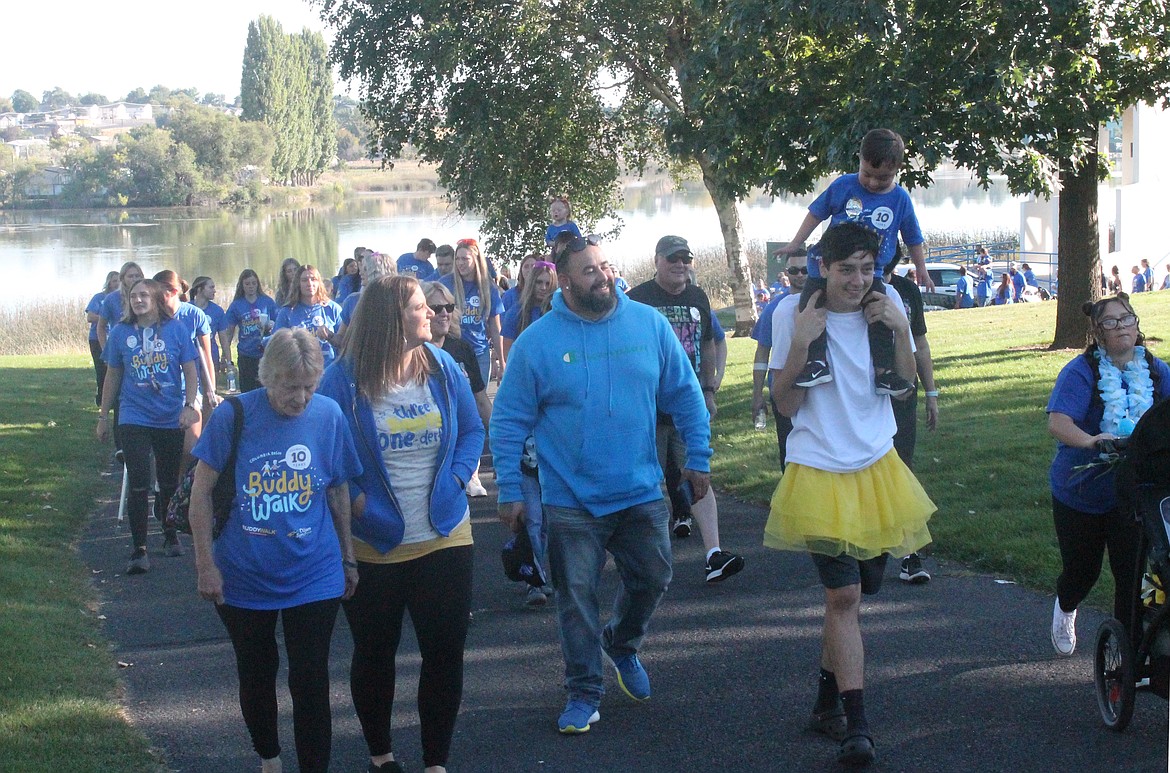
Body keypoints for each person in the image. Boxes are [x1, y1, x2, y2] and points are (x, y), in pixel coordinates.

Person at [491, 234, 713, 734]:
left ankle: (622, 644)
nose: (604, 277)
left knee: (654, 578)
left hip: (640, 489)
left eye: (606, 266)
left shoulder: (648, 324)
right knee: (576, 599)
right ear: (564, 281)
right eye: (589, 271)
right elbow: (507, 421)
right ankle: (584, 690)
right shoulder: (537, 343)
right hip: (570, 499)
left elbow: (685, 393)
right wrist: (509, 488)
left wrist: (698, 457)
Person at [765, 222, 935, 767]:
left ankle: (823, 699)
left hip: (877, 468)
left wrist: (902, 334)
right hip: (816, 469)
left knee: (865, 588)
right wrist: (801, 341)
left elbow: (903, 387)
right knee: (844, 599)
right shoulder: (793, 312)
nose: (858, 281)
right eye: (846, 270)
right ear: (823, 268)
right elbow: (785, 405)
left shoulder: (887, 310)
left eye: (867, 269)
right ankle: (857, 726)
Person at [317, 276, 484, 773]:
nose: (432, 314)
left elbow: (472, 429)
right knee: (374, 656)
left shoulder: (442, 366)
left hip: (445, 534)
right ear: (393, 318)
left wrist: (457, 478)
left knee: (444, 654)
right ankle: (381, 755)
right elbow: (326, 455)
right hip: (376, 545)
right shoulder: (342, 380)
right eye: (420, 307)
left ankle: (436, 762)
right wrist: (360, 501)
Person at [190, 327, 361, 773]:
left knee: (311, 680)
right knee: (257, 672)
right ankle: (269, 756)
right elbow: (201, 493)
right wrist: (205, 563)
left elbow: (338, 492)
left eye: (308, 386)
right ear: (267, 376)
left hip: (314, 571)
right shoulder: (233, 416)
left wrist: (348, 558)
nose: (300, 398)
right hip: (243, 573)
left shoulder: (328, 416)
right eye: (289, 386)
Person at [1046, 295, 1170, 656]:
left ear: (1137, 324)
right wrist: (1092, 441)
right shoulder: (1080, 371)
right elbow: (1058, 422)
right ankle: (1066, 606)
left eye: (1126, 319)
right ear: (1098, 332)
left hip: (1132, 494)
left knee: (1130, 577)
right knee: (1081, 573)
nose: (1122, 327)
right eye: (1111, 322)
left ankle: (1124, 654)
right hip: (1081, 491)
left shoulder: (1155, 369)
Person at [774, 129, 930, 398]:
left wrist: (923, 271)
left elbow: (913, 238)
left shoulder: (900, 199)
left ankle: (884, 373)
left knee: (879, 318)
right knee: (812, 308)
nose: (871, 183)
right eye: (866, 173)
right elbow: (815, 213)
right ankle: (816, 362)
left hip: (873, 272)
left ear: (897, 169)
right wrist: (794, 243)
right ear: (859, 160)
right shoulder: (843, 186)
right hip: (829, 267)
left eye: (882, 178)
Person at [628, 235, 745, 583]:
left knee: (697, 470)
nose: (680, 264)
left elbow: (708, 342)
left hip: (688, 403)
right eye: (672, 258)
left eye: (686, 258)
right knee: (646, 478)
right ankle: (641, 555)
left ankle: (714, 554)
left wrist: (709, 388)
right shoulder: (637, 299)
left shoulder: (698, 297)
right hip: (648, 404)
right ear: (657, 261)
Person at [97, 278, 200, 573]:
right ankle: (139, 549)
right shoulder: (120, 333)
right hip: (133, 416)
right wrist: (104, 416)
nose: (138, 300)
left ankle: (169, 535)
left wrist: (189, 406)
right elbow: (113, 376)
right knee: (139, 482)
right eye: (133, 296)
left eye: (144, 295)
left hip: (169, 416)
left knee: (167, 481)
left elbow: (190, 370)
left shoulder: (177, 330)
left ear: (156, 299)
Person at [500, 260, 558, 605]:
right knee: (533, 517)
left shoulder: (561, 317)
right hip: (526, 426)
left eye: (549, 282)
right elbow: (509, 361)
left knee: (551, 518)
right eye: (538, 281)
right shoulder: (518, 317)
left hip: (551, 434)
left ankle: (544, 569)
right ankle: (536, 579)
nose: (543, 287)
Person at [883, 253, 940, 584]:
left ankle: (909, 554)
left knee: (902, 468)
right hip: (863, 395)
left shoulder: (906, 290)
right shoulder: (850, 288)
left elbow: (920, 343)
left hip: (902, 390)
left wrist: (931, 393)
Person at [423, 281, 492, 499]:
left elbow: (480, 399)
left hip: (462, 440)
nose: (444, 313)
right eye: (436, 308)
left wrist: (501, 440)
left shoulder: (462, 349)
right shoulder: (413, 354)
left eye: (449, 308)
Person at [752, 250, 809, 468]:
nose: (800, 275)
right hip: (784, 389)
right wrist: (757, 395)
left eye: (805, 269)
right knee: (789, 453)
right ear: (786, 273)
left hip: (818, 390)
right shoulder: (774, 308)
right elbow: (762, 353)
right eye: (794, 270)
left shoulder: (826, 302)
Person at [438, 238, 504, 386]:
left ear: (476, 260)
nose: (460, 263)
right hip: (452, 350)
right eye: (458, 259)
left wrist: (501, 360)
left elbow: (495, 327)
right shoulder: (446, 283)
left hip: (479, 352)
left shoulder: (488, 287)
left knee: (479, 400)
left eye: (465, 259)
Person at [273, 265, 344, 369]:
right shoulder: (286, 312)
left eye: (313, 279)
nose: (309, 283)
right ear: (298, 284)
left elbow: (346, 342)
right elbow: (278, 347)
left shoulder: (332, 308)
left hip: (329, 371)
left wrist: (330, 336)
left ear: (319, 282)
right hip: (300, 374)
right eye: (304, 280)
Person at [222, 269, 279, 393]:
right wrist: (226, 357)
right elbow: (229, 332)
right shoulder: (236, 305)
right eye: (247, 284)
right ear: (242, 285)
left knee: (267, 389)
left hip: (266, 353)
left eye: (253, 283)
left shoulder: (267, 302)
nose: (251, 286)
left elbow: (279, 325)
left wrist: (271, 325)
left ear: (258, 284)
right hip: (246, 354)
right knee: (247, 390)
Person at [86, 270, 120, 406]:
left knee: (114, 369)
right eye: (114, 281)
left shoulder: (122, 298)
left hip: (114, 339)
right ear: (108, 283)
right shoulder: (99, 298)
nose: (117, 283)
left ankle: (115, 399)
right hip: (96, 339)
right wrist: (105, 318)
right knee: (102, 369)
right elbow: (90, 317)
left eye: (119, 280)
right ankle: (101, 399)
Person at [189, 276, 227, 371]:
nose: (214, 291)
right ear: (199, 289)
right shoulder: (187, 309)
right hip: (190, 356)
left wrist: (228, 361)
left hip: (211, 354)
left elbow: (224, 339)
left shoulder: (217, 311)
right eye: (211, 287)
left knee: (211, 385)